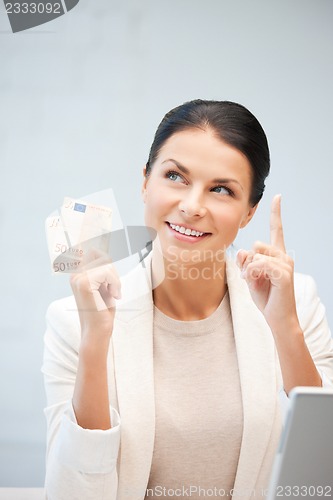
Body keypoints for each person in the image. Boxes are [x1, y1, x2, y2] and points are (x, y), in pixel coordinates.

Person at [42, 100, 333, 500]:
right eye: (175, 176)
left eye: (221, 189)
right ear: (145, 182)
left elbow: (321, 473)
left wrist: (285, 327)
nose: (192, 206)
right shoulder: (72, 322)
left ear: (249, 213)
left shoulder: (296, 302)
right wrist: (95, 341)